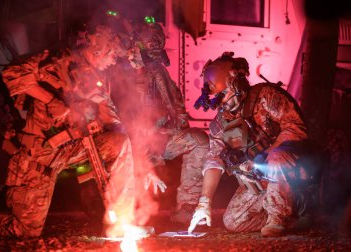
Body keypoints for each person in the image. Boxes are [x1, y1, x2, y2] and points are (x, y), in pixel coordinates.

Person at [0, 26, 140, 237]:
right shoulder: (60, 60)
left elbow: (111, 119)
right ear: (99, 48)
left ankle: (121, 223)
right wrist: (49, 99)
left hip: (70, 150)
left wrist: (142, 160)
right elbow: (12, 74)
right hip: (40, 157)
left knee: (119, 142)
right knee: (25, 230)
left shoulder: (98, 78)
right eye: (113, 54)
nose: (114, 60)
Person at [188, 52, 320, 236]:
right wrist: (204, 202)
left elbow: (296, 127)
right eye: (218, 97)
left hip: (289, 169)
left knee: (277, 156)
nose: (223, 102)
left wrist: (267, 155)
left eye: (224, 94)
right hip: (261, 180)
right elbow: (214, 160)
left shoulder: (266, 96)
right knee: (233, 221)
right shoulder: (221, 122)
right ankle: (295, 217)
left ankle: (282, 215)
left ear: (236, 84)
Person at [110, 21, 209, 225]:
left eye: (158, 42)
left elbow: (177, 107)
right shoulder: (124, 74)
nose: (155, 46)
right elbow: (124, 117)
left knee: (198, 140)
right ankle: (127, 212)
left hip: (161, 137)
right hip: (133, 142)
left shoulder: (160, 72)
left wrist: (173, 125)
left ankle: (187, 207)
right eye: (151, 42)